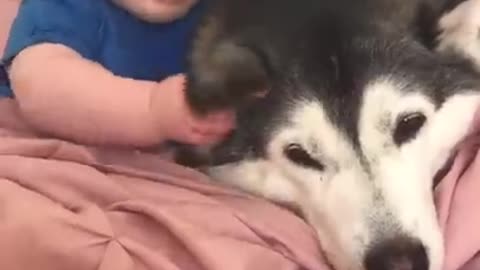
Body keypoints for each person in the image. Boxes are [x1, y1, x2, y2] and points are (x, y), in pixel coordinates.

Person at [0, 0, 235, 147]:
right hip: (41, 142)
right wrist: (151, 109)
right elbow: (42, 87)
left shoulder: (220, 13)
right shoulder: (67, 6)